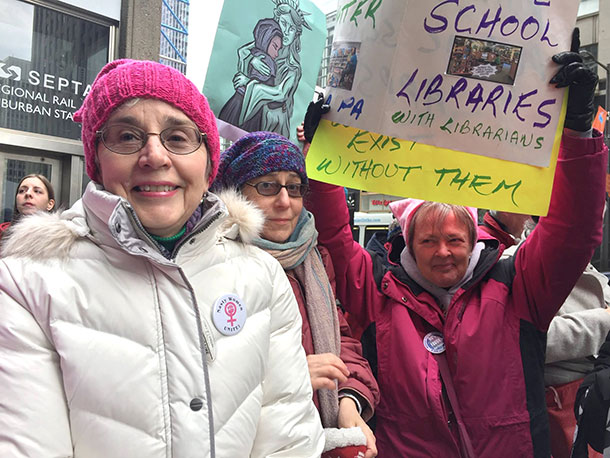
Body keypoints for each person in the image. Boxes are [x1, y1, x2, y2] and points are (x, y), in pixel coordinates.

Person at [302, 33, 607, 456]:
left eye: (454, 239)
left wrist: (577, 131)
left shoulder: (519, 288)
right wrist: (322, 160)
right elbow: (334, 239)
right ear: (407, 241)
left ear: (474, 238)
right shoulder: (377, 292)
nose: (443, 251)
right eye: (428, 240)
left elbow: (573, 233)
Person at [0, 59, 324, 457]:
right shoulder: (25, 284)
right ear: (96, 163)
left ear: (208, 166)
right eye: (126, 136)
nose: (154, 155)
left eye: (178, 137)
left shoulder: (261, 276)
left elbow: (287, 435)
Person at [212, 131, 380, 458]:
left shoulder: (314, 259)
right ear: (234, 193)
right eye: (267, 186)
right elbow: (202, 376)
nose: (285, 201)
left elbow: (340, 340)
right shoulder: (213, 264)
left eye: (294, 187)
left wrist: (350, 399)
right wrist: (291, 374)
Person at [481, 209, 610, 458]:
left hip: (593, 395)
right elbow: (519, 337)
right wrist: (604, 321)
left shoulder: (583, 260)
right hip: (561, 403)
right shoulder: (512, 263)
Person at [232, 0, 309, 137]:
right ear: (276, 20)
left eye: (291, 29)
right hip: (254, 121)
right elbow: (243, 52)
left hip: (274, 123)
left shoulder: (293, 67)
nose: (286, 31)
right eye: (284, 24)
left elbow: (281, 93)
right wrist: (252, 60)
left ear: (296, 35)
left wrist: (248, 83)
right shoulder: (262, 45)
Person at [218, 18, 283, 131]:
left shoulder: (254, 55)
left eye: (278, 49)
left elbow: (266, 92)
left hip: (239, 107)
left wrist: (247, 81)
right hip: (246, 112)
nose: (276, 54)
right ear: (265, 39)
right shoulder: (263, 59)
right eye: (275, 46)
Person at [0, 173, 56, 238]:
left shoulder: (60, 238)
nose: (28, 193)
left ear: (50, 204)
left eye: (37, 191)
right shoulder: (2, 233)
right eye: (22, 191)